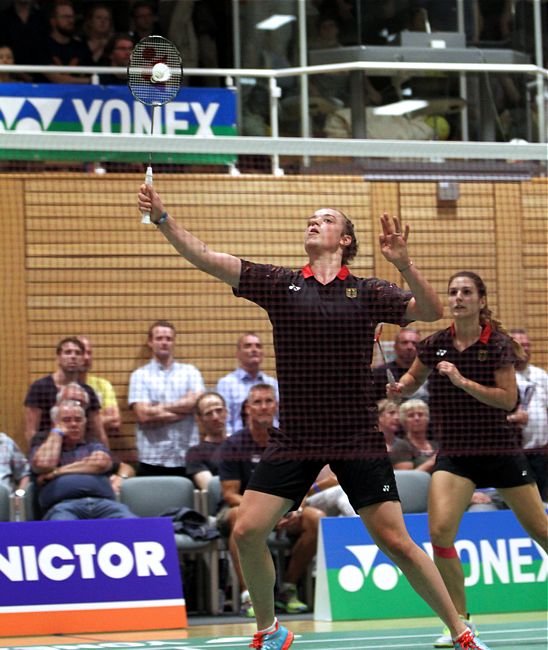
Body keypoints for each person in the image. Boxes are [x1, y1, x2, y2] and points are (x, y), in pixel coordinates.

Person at [137, 182, 491, 650]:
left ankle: (460, 631)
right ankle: (269, 630)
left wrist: (403, 262)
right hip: (297, 439)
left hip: (356, 438)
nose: (314, 221)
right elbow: (205, 256)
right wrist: (163, 218)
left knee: (397, 542)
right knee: (246, 530)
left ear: (345, 239)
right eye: (313, 217)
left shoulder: (367, 292)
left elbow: (429, 309)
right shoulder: (280, 284)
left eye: (326, 218)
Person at [388, 271, 548, 648]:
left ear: (480, 299)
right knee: (440, 533)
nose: (458, 298)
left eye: (466, 292)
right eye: (453, 292)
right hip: (457, 455)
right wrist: (398, 389)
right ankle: (459, 622)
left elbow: (507, 399)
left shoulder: (498, 345)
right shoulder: (436, 343)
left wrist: (461, 382)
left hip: (499, 451)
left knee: (541, 530)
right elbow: (411, 380)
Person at [217, 383, 323, 619]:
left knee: (316, 519)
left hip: (284, 510)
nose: (264, 407)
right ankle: (248, 595)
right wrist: (264, 513)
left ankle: (287, 589)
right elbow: (230, 493)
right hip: (240, 510)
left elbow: (302, 485)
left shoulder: (289, 442)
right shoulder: (234, 445)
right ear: (247, 409)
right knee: (238, 516)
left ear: (276, 406)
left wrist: (297, 507)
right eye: (257, 402)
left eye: (268, 401)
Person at [30, 400, 136, 520]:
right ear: (55, 423)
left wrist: (57, 472)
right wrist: (56, 432)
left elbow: (101, 463)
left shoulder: (92, 444)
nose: (74, 424)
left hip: (104, 504)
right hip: (63, 506)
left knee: (131, 523)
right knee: (62, 527)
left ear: (84, 423)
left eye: (78, 420)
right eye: (66, 420)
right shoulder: (43, 444)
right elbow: (43, 464)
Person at [128, 319, 205, 477]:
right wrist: (183, 411)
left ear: (174, 342)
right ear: (150, 342)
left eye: (168, 339)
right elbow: (143, 415)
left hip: (186, 455)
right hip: (152, 458)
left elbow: (197, 404)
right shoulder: (139, 376)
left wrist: (158, 408)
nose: (164, 342)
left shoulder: (191, 372)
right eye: (159, 338)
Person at [24, 337, 107, 446]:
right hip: (48, 448)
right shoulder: (40, 387)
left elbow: (98, 432)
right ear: (58, 358)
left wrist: (107, 455)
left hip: (80, 450)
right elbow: (31, 430)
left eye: (78, 353)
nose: (73, 356)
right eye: (67, 352)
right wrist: (36, 455)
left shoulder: (88, 391)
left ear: (82, 360)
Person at [508, 328, 548, 501]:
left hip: (542, 453)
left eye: (527, 345)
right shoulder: (503, 376)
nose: (525, 349)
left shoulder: (541, 375)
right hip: (515, 454)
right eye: (520, 345)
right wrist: (510, 419)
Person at [216, 332, 279, 434]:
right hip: (240, 445)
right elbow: (225, 422)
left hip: (272, 443)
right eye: (248, 346)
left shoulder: (273, 384)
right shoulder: (226, 384)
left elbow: (279, 417)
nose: (254, 350)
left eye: (258, 346)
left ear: (262, 353)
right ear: (238, 354)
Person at [77, 335, 122, 437]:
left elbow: (115, 420)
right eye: (82, 353)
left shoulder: (103, 385)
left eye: (89, 353)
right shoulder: (62, 386)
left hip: (97, 444)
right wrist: (101, 418)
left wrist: (78, 423)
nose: (86, 357)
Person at [39, 0, 93, 84]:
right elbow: (56, 79)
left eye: (72, 17)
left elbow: (92, 74)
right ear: (53, 21)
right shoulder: (42, 46)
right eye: (65, 17)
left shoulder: (81, 46)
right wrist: (89, 81)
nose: (71, 21)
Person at [372, 327, 429, 403]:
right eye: (404, 342)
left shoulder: (428, 370)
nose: (409, 347)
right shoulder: (380, 373)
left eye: (414, 343)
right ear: (395, 346)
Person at [186, 391, 228, 490]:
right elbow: (213, 489)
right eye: (209, 413)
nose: (215, 417)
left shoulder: (240, 445)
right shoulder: (195, 453)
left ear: (226, 412)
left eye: (219, 410)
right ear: (199, 419)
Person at [391, 399, 437, 473]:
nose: (417, 418)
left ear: (427, 418)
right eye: (411, 415)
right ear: (404, 421)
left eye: (420, 414)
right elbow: (407, 479)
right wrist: (432, 461)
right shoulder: (401, 446)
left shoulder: (436, 445)